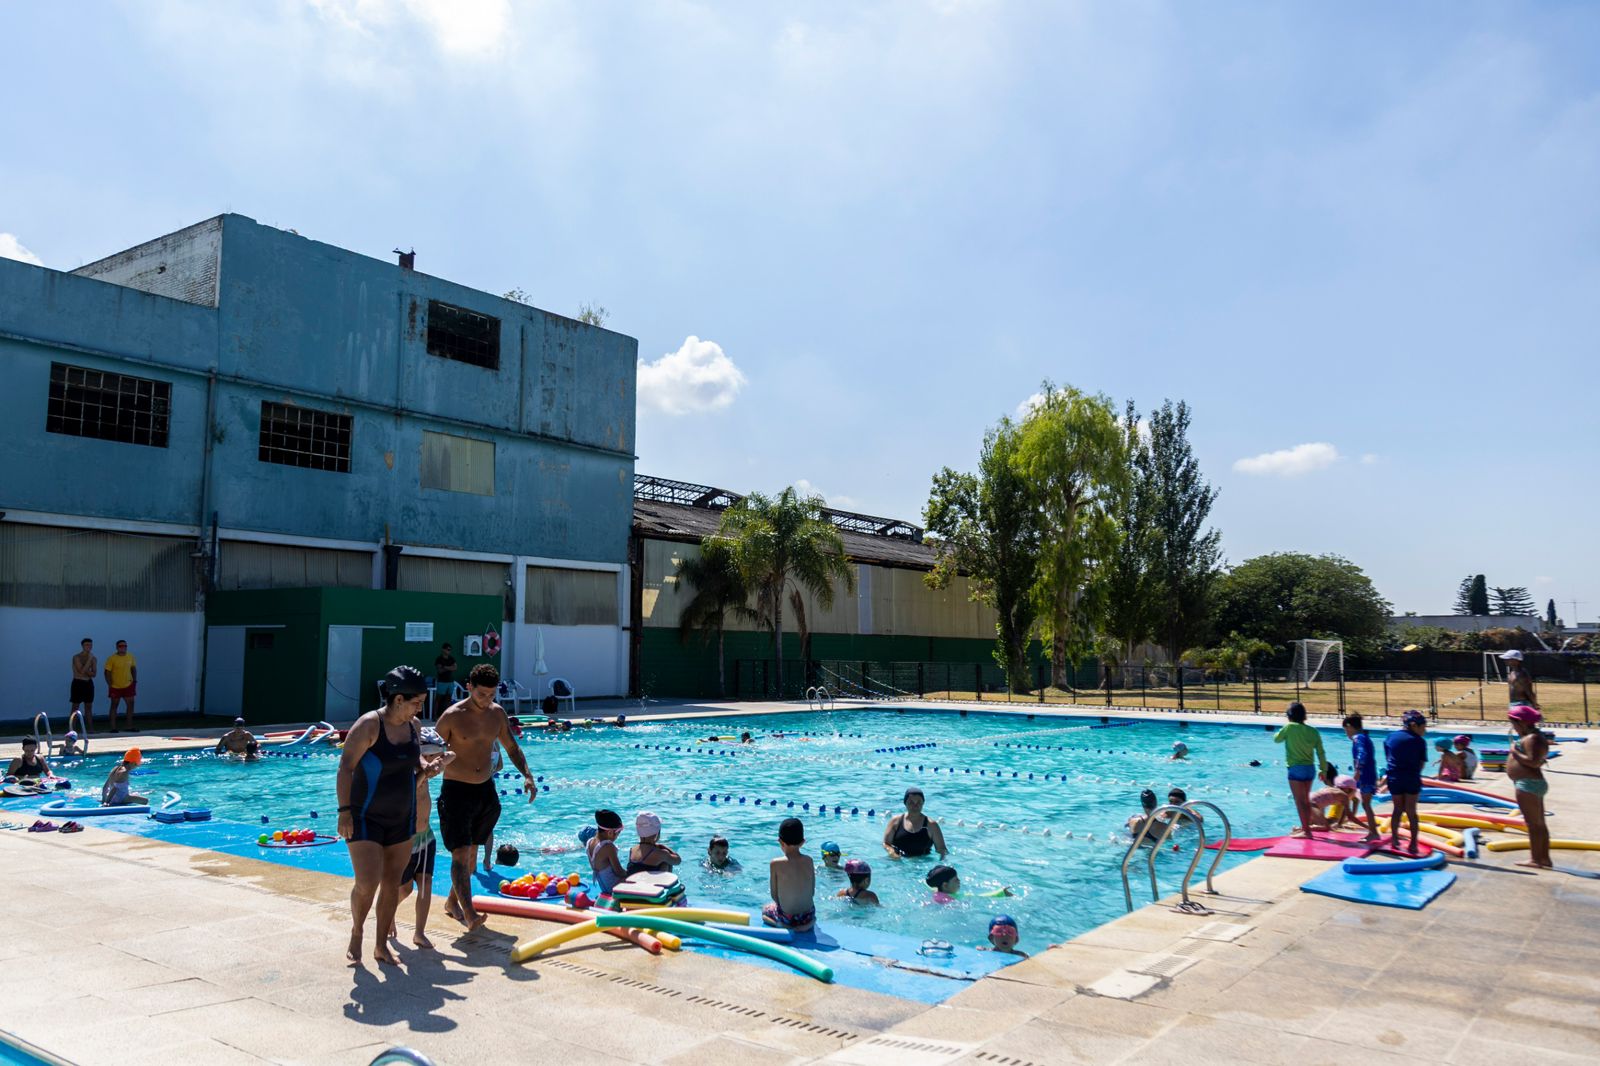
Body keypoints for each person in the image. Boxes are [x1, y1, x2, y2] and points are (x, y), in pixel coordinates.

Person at [336, 667, 448, 964]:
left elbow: (415, 760)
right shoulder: (369, 726)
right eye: (417, 702)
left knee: (391, 884)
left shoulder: (412, 725)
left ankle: (380, 945)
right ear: (398, 699)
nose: (420, 707)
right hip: (365, 816)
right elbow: (346, 767)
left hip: (402, 817)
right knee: (367, 882)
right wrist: (344, 812)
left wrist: (428, 766)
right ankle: (357, 930)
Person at [435, 663, 538, 933]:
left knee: (471, 857)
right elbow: (431, 751)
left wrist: (527, 775)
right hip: (456, 790)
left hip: (485, 791)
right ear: (469, 687)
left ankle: (452, 903)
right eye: (481, 694)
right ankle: (470, 914)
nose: (487, 700)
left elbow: (512, 747)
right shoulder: (452, 716)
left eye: (492, 695)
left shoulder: (497, 714)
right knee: (460, 854)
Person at [393, 727, 455, 950]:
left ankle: (419, 932)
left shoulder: (428, 767)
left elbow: (452, 755)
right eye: (427, 757)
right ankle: (388, 913)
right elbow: (414, 787)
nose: (432, 762)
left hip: (426, 837)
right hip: (406, 839)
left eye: (433, 757)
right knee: (405, 889)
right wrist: (426, 769)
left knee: (426, 885)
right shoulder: (409, 773)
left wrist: (439, 759)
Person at [1273, 702, 1330, 837]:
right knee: (1305, 800)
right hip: (1310, 769)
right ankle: (1307, 827)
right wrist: (1323, 770)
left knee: (1299, 801)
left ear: (1289, 716)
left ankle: (1306, 831)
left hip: (1295, 768)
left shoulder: (1289, 728)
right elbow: (1321, 752)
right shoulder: (1313, 731)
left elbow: (1276, 739)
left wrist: (1281, 730)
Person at [1505, 705, 1551, 869]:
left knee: (1533, 824)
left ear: (1523, 722)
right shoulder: (1533, 737)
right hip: (1530, 784)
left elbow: (1533, 762)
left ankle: (1536, 859)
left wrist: (1514, 752)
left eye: (1514, 724)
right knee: (1539, 824)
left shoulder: (1532, 738)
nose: (1514, 728)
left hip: (1528, 784)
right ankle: (1544, 858)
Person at [1383, 710, 1429, 856]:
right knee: (1411, 811)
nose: (1425, 730)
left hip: (1395, 778)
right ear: (1414, 725)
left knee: (1397, 809)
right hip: (1411, 778)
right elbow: (1421, 764)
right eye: (1423, 727)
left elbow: (1388, 758)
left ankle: (1394, 840)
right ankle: (1413, 844)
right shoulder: (1419, 741)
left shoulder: (1390, 737)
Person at [763, 817, 816, 931]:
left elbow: (774, 896)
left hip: (787, 918)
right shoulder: (809, 860)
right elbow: (812, 891)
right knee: (807, 911)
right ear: (802, 842)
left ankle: (783, 926)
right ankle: (806, 926)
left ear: (780, 842)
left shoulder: (775, 863)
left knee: (765, 911)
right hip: (808, 916)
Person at [1342, 714, 1380, 842]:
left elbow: (1362, 754)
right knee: (1366, 804)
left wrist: (1358, 771)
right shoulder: (1365, 737)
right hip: (1370, 773)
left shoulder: (1358, 738)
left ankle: (1373, 833)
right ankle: (1373, 830)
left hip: (1365, 775)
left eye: (1345, 730)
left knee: (1366, 804)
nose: (1346, 733)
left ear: (1350, 727)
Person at [883, 787, 949, 859]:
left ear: (923, 803)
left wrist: (942, 862)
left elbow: (942, 849)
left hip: (922, 863)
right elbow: (886, 843)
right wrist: (892, 853)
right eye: (911, 802)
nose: (915, 805)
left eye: (918, 802)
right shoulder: (895, 822)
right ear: (905, 803)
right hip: (899, 862)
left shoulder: (931, 825)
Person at [587, 809, 628, 895]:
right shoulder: (608, 847)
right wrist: (632, 874)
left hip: (604, 889)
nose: (617, 836)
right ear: (610, 832)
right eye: (618, 833)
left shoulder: (590, 842)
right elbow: (619, 872)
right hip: (615, 889)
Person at [103, 639, 137, 733]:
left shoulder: (130, 656)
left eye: (125, 646)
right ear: (117, 647)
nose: (123, 648)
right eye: (121, 646)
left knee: (130, 704)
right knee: (114, 705)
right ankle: (113, 728)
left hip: (128, 685)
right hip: (115, 686)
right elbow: (107, 672)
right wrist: (110, 684)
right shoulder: (112, 658)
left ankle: (129, 726)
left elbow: (133, 668)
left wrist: (134, 681)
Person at [1307, 766, 1356, 830]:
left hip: (1333, 819)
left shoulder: (1330, 790)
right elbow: (1355, 802)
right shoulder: (1342, 790)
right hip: (1334, 820)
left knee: (1316, 822)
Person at [1503, 650, 1540, 718]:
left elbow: (1529, 692)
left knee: (1523, 727)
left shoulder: (1522, 674)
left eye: (1508, 659)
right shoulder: (1512, 673)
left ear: (1516, 660)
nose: (1505, 660)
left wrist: (1535, 704)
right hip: (1513, 703)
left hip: (1522, 704)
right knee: (1518, 726)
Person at [69, 638, 96, 722]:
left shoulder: (93, 658)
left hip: (88, 683)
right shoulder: (77, 657)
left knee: (88, 706)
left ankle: (90, 728)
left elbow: (94, 674)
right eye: (87, 645)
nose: (89, 647)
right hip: (78, 682)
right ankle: (72, 728)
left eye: (90, 645)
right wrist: (88, 660)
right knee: (75, 706)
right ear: (82, 646)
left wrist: (85, 669)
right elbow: (81, 672)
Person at [432, 642, 456, 716]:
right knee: (438, 699)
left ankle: (447, 716)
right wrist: (450, 668)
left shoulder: (452, 658)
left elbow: (455, 668)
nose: (449, 651)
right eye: (447, 649)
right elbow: (440, 670)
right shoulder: (439, 659)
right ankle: (434, 716)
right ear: (443, 650)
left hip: (450, 682)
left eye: (450, 650)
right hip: (442, 682)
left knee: (448, 699)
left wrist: (445, 667)